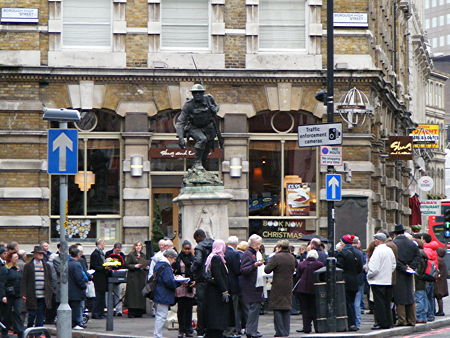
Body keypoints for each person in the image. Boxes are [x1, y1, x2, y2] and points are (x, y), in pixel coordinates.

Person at [175, 83, 222, 169]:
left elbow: (217, 107)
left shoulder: (209, 99)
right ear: (192, 94)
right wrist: (181, 138)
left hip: (208, 128)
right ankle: (197, 162)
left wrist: (214, 109)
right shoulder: (188, 105)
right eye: (195, 93)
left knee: (206, 150)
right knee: (202, 139)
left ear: (203, 93)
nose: (197, 94)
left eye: (199, 92)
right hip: (194, 128)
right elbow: (180, 122)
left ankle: (202, 165)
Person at [264, 240, 296, 338]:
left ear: (280, 247)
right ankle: (286, 331)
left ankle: (280, 331)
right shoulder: (292, 257)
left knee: (277, 307)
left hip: (278, 284)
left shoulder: (276, 257)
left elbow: (267, 270)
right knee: (286, 307)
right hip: (289, 284)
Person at [21, 245, 53, 336]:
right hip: (32, 295)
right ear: (34, 254)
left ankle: (38, 334)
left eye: (42, 253)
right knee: (31, 315)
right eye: (39, 253)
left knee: (40, 316)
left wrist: (50, 290)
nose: (41, 255)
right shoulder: (28, 266)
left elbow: (49, 279)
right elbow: (24, 280)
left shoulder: (46, 265)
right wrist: (23, 294)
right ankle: (29, 331)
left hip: (43, 295)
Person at [367, 233, 397, 330]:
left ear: (378, 240)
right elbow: (393, 265)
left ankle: (381, 323)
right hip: (387, 280)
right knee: (386, 303)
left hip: (377, 281)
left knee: (379, 303)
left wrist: (369, 275)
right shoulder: (389, 250)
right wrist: (387, 273)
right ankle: (388, 322)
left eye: (375, 239)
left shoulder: (377, 251)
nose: (374, 241)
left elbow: (374, 268)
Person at [392, 224, 420, 326]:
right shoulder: (412, 243)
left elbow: (394, 259)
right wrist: (411, 267)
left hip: (399, 273)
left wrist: (403, 267)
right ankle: (412, 319)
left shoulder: (394, 243)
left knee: (399, 296)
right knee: (409, 295)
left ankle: (402, 320)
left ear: (395, 233)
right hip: (410, 273)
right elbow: (418, 256)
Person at [204, 240, 232, 338]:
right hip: (216, 291)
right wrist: (224, 290)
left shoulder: (217, 257)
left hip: (215, 290)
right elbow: (218, 275)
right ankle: (216, 332)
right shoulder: (216, 258)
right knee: (216, 313)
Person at [336, 234, 363, 331]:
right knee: (352, 302)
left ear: (343, 242)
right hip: (354, 280)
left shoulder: (342, 253)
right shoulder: (358, 252)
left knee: (347, 303)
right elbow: (360, 268)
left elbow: (339, 267)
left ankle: (350, 323)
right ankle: (353, 323)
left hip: (345, 281)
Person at [294, 249, 324, 334]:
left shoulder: (301, 264)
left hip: (302, 289)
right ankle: (317, 327)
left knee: (305, 309)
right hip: (315, 289)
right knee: (315, 309)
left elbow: (298, 276)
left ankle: (306, 328)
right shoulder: (320, 264)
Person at [240, 234, 264, 338]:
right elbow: (243, 270)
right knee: (253, 309)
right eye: (258, 244)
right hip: (251, 286)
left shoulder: (255, 253)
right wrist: (254, 265)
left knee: (255, 309)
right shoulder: (248, 254)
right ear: (253, 244)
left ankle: (253, 330)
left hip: (256, 285)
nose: (259, 246)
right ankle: (250, 331)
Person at [191, 229, 214, 337]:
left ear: (199, 237)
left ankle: (201, 330)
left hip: (201, 279)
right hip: (212, 279)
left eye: (196, 239)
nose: (196, 241)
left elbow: (198, 261)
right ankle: (211, 328)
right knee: (211, 305)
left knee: (201, 306)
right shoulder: (213, 244)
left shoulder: (199, 247)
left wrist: (192, 269)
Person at [153, 249, 180, 338]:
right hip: (163, 293)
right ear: (169, 257)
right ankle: (157, 335)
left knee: (159, 315)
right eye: (174, 259)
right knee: (162, 316)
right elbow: (169, 282)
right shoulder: (166, 266)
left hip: (158, 292)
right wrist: (179, 282)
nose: (174, 261)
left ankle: (157, 334)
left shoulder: (159, 264)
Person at [173, 240, 195, 338]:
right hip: (180, 284)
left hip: (190, 285)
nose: (187, 251)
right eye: (185, 249)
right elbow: (174, 270)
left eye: (188, 249)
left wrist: (194, 281)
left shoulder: (193, 259)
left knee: (189, 308)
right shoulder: (178, 258)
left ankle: (188, 328)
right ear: (182, 248)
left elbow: (195, 271)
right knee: (181, 308)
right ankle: (181, 329)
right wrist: (179, 279)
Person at [0, 251, 25, 338]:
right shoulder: (5, 269)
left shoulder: (18, 268)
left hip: (17, 295)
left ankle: (20, 331)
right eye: (15, 257)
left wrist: (23, 294)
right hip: (8, 295)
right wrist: (3, 296)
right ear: (10, 258)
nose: (17, 258)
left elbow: (21, 281)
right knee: (6, 314)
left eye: (17, 257)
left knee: (18, 312)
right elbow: (2, 283)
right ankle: (4, 331)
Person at [124, 241, 148, 318]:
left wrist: (145, 266)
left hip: (141, 276)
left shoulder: (143, 255)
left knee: (140, 294)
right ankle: (131, 312)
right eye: (137, 245)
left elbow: (145, 263)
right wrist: (134, 266)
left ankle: (139, 311)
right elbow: (127, 264)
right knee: (132, 294)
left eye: (140, 245)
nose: (138, 247)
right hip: (133, 277)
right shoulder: (131, 255)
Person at [224, 236, 241, 337]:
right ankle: (232, 330)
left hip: (224, 285)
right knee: (234, 308)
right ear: (236, 244)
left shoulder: (223, 252)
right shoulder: (234, 254)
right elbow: (237, 270)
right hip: (233, 284)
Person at [68, 244, 87, 329]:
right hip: (76, 291)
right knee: (76, 308)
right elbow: (79, 278)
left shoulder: (67, 263)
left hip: (68, 290)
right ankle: (75, 324)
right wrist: (84, 286)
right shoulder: (76, 264)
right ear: (78, 254)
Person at [422, 233, 439, 322]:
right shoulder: (433, 249)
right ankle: (431, 313)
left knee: (426, 295)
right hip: (433, 275)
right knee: (430, 296)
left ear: (424, 240)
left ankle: (429, 314)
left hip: (427, 275)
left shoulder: (426, 249)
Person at [105, 242, 126, 316]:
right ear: (114, 248)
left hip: (118, 274)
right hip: (110, 274)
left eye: (119, 250)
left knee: (118, 293)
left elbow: (123, 264)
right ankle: (109, 309)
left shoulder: (122, 255)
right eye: (117, 250)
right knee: (108, 293)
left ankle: (118, 310)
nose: (118, 252)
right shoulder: (108, 253)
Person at [90, 239, 108, 319]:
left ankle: (101, 312)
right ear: (100, 244)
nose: (104, 245)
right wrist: (105, 267)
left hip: (102, 277)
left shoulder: (101, 254)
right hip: (98, 277)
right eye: (103, 244)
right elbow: (95, 266)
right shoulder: (95, 254)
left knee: (102, 296)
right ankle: (96, 312)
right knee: (98, 296)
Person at [412, 238, 429, 324]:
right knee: (422, 298)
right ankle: (423, 316)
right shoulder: (423, 254)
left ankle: (419, 316)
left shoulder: (418, 256)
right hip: (422, 280)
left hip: (418, 280)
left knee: (419, 299)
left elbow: (418, 270)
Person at [434, 247, 448, 316]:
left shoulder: (438, 260)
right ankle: (440, 310)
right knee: (439, 297)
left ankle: (440, 311)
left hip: (439, 282)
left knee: (438, 296)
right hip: (442, 281)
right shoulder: (442, 260)